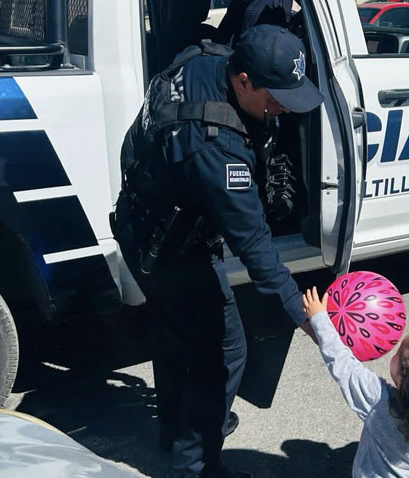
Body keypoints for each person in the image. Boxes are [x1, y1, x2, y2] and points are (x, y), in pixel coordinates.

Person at [112, 25, 323, 478]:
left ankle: (177, 430)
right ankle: (196, 465)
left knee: (175, 333)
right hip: (170, 248)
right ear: (244, 80)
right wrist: (303, 314)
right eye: (275, 97)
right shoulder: (216, 148)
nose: (283, 107)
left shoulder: (201, 59)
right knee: (224, 351)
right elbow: (254, 246)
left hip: (138, 221)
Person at [301, 286, 409, 478]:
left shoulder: (380, 403)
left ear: (401, 374)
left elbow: (343, 364)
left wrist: (319, 318)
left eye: (398, 353)